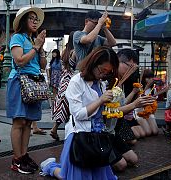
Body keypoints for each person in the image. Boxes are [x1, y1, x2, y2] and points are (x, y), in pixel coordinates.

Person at [39, 46, 119, 179]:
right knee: (73, 176)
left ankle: (56, 167)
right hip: (80, 136)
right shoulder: (76, 82)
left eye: (108, 72)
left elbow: (102, 111)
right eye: (102, 70)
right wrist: (100, 100)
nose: (104, 75)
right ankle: (50, 167)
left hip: (98, 135)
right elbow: (78, 114)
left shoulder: (101, 84)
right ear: (93, 63)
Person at [7, 6, 47, 174]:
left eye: (36, 19)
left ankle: (24, 156)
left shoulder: (33, 41)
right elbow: (20, 61)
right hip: (19, 81)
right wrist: (35, 47)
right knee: (19, 121)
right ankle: (16, 159)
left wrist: (40, 48)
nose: (35, 21)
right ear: (23, 21)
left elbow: (43, 65)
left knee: (29, 122)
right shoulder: (17, 37)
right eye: (31, 18)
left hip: (34, 82)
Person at [50, 31, 76, 141]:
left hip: (64, 80)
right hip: (72, 80)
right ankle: (69, 132)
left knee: (62, 105)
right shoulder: (75, 51)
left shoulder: (65, 51)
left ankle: (55, 128)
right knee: (72, 106)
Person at [133, 69, 159, 138]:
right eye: (148, 78)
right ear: (144, 78)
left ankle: (143, 127)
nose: (150, 80)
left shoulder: (153, 89)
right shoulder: (139, 88)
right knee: (148, 132)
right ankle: (135, 128)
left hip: (148, 112)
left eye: (151, 77)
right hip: (139, 112)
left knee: (155, 131)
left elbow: (154, 101)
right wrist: (146, 87)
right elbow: (138, 99)